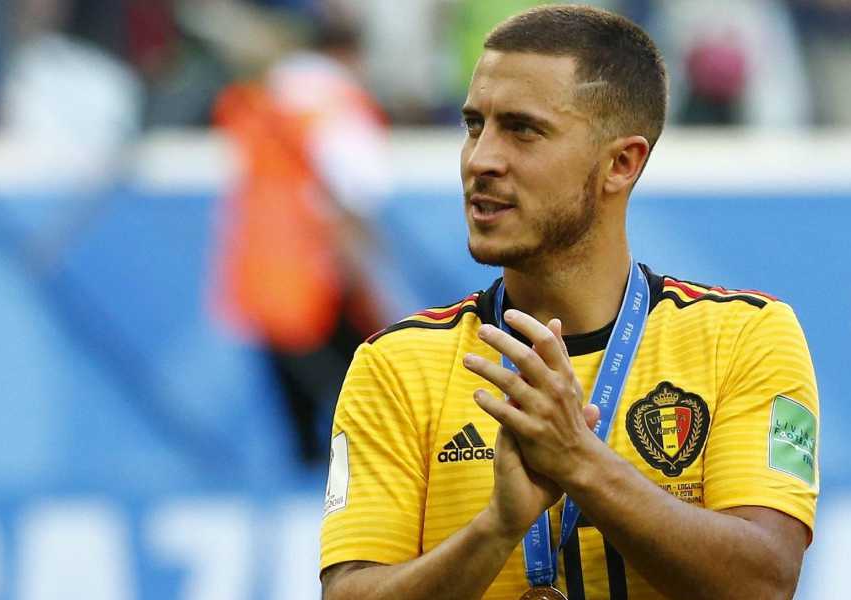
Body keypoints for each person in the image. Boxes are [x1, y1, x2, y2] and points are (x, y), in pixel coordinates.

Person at [319, 5, 819, 600]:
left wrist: (580, 463)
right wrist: (495, 530)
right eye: (475, 125)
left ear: (621, 164)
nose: (481, 159)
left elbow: (764, 581)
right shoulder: (395, 364)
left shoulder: (746, 337)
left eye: (522, 129)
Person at [212, 18, 392, 465]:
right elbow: (355, 195)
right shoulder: (341, 103)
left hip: (264, 275)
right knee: (360, 408)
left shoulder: (261, 96)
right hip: (321, 281)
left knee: (298, 428)